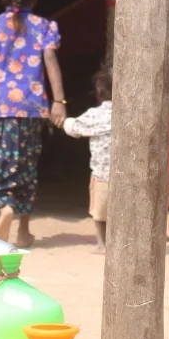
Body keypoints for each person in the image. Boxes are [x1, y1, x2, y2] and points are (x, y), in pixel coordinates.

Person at [0, 0, 67, 248]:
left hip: (0, 108)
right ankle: (23, 231)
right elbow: (51, 62)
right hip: (34, 110)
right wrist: (59, 101)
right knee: (26, 166)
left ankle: (6, 208)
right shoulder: (44, 27)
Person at [64, 69, 112, 254]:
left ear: (99, 92)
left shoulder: (95, 115)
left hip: (102, 175)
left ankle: (103, 245)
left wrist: (64, 121)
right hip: (129, 175)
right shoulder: (131, 114)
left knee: (100, 213)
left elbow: (74, 128)